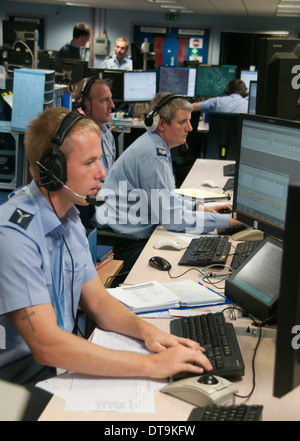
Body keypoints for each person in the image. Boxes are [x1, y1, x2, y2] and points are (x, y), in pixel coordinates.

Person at [0, 107, 212, 397]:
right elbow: (47, 345)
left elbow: (98, 302)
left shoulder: (69, 216)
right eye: (89, 162)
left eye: (100, 159)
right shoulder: (14, 235)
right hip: (16, 379)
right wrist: (152, 365)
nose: (102, 173)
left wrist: (151, 334)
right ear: (52, 171)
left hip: (54, 365)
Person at [93, 93, 241, 265]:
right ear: (161, 124)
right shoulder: (153, 156)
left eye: (189, 120)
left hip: (128, 234)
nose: (190, 128)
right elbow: (172, 220)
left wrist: (199, 207)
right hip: (122, 244)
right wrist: (226, 221)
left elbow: (167, 199)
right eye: (182, 122)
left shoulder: (154, 145)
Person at [74, 76, 117, 229]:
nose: (112, 105)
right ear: (85, 104)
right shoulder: (78, 140)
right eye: (104, 100)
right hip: (99, 210)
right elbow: (88, 194)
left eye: (111, 99)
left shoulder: (106, 133)